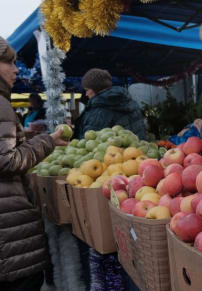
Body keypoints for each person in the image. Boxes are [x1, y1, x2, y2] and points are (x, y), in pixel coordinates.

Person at [0, 36, 68, 290]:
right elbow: (7, 161)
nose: (16, 69)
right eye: (8, 62)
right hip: (9, 229)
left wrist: (24, 137)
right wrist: (47, 141)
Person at [73, 68, 146, 140]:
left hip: (111, 151)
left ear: (95, 88)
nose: (86, 94)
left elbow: (87, 143)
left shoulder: (99, 111)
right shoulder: (131, 103)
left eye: (87, 90)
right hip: (136, 150)